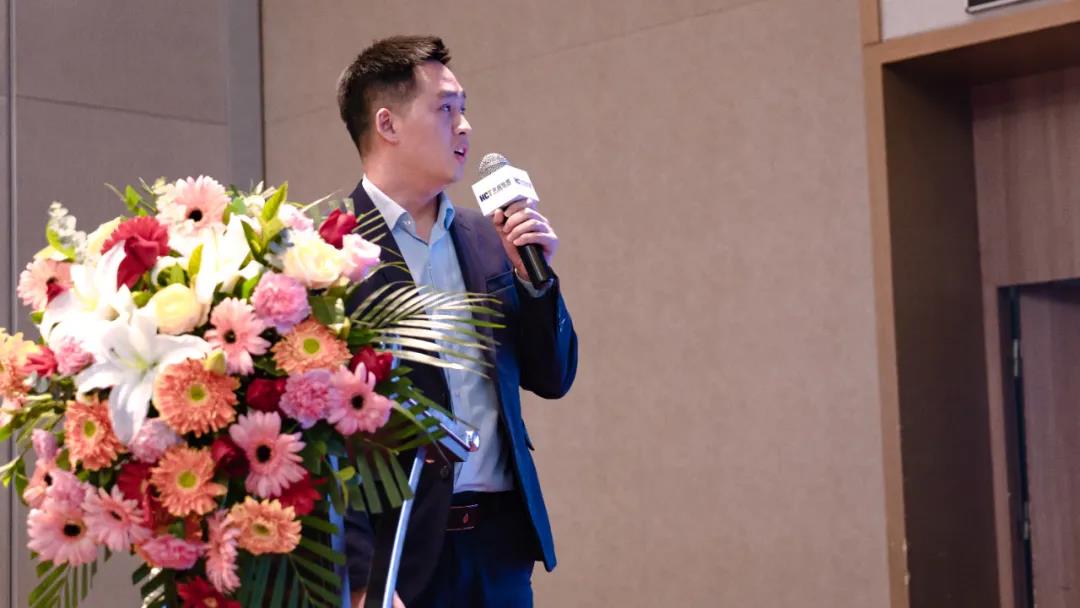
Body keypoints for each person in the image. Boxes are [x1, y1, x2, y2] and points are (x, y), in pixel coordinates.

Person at [336, 35, 578, 607]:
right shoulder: (328, 252)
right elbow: (320, 436)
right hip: (399, 556)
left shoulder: (488, 239)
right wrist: (362, 576)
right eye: (446, 109)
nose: (465, 126)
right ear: (388, 124)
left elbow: (554, 377)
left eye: (464, 108)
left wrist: (535, 283)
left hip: (499, 547)